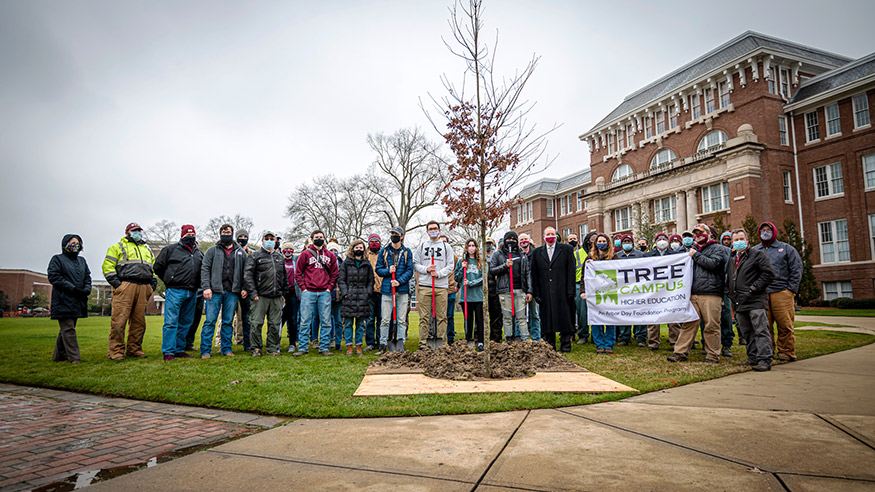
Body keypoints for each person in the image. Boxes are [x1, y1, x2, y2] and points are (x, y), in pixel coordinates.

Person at [668, 223, 730, 363]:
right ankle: (680, 352)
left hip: (711, 292)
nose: (698, 235)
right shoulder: (693, 250)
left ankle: (712, 354)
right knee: (689, 323)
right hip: (693, 293)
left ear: (709, 234)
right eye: (695, 233)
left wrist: (695, 255)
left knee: (711, 325)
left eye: (701, 232)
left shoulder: (718, 249)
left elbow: (713, 264)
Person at [103, 222, 157, 361]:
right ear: (127, 232)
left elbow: (153, 269)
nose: (137, 233)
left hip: (143, 286)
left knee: (139, 322)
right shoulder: (117, 247)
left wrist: (152, 286)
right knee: (119, 321)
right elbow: (108, 267)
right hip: (126, 285)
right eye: (134, 231)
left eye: (139, 231)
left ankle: (134, 349)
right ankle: (116, 351)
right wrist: (118, 285)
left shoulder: (147, 250)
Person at [726, 229, 775, 372]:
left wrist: (753, 289)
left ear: (747, 240)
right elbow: (730, 278)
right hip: (739, 302)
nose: (738, 242)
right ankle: (752, 358)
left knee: (760, 330)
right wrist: (730, 293)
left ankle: (765, 359)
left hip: (755, 300)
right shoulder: (732, 259)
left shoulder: (758, 255)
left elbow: (768, 274)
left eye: (741, 239)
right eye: (735, 240)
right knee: (747, 332)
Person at [153, 225, 204, 361]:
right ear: (182, 235)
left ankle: (179, 349)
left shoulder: (198, 252)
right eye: (187, 235)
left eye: (193, 234)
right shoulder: (170, 250)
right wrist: (169, 280)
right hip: (175, 290)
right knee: (171, 322)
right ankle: (168, 351)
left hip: (192, 291)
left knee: (186, 322)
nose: (190, 237)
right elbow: (157, 267)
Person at [754, 222, 803, 362]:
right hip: (762, 293)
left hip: (782, 292)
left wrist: (791, 290)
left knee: (785, 325)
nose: (765, 233)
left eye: (768, 230)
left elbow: (796, 269)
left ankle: (786, 352)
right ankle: (767, 352)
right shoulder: (755, 250)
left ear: (774, 232)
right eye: (762, 230)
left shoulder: (786, 249)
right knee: (764, 326)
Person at [200, 224, 248, 358]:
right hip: (214, 291)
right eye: (223, 232)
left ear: (232, 234)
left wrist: (244, 287)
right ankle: (205, 351)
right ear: (220, 233)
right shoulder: (212, 251)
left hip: (232, 292)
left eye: (228, 232)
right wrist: (206, 287)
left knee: (228, 322)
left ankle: (226, 348)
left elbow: (246, 272)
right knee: (210, 321)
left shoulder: (240, 252)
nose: (226, 234)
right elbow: (205, 269)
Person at [293, 230, 339, 356]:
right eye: (317, 237)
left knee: (326, 321)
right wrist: (303, 288)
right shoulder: (305, 254)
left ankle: (324, 347)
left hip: (324, 292)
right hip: (309, 292)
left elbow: (335, 273)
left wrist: (329, 288)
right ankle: (303, 347)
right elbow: (298, 273)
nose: (319, 239)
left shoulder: (330, 255)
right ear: (312, 239)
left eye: (321, 237)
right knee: (305, 320)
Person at [530, 226, 576, 352]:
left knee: (564, 318)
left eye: (552, 234)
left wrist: (570, 290)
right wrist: (537, 292)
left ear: (556, 236)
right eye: (548, 234)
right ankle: (550, 345)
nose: (550, 236)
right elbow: (534, 274)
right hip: (545, 292)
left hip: (563, 291)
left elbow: (571, 270)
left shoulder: (566, 249)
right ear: (544, 237)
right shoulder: (537, 252)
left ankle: (565, 344)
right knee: (547, 319)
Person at [48, 234, 91, 364]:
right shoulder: (57, 259)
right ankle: (74, 357)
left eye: (77, 243)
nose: (75, 245)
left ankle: (58, 356)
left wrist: (86, 289)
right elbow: (54, 277)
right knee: (69, 329)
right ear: (65, 244)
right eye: (72, 242)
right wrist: (72, 288)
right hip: (63, 300)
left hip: (77, 300)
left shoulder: (82, 261)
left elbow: (87, 276)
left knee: (66, 329)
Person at [244, 231, 288, 357]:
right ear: (262, 241)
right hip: (260, 296)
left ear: (275, 241)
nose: (269, 241)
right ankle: (256, 348)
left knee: (275, 324)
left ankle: (273, 347)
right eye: (267, 238)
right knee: (256, 323)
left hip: (276, 296)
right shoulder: (255, 256)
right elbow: (248, 276)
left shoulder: (279, 257)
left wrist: (283, 293)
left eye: (271, 239)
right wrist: (253, 293)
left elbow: (283, 277)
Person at [413, 221, 454, 349]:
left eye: (435, 228)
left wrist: (439, 273)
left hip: (441, 286)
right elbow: (415, 263)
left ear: (439, 230)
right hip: (425, 286)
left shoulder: (446, 247)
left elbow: (450, 265)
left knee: (442, 316)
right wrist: (426, 269)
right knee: (424, 317)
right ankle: (423, 344)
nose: (433, 231)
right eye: (430, 229)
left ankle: (442, 343)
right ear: (427, 231)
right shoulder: (422, 246)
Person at [374, 226, 414, 351]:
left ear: (401, 236)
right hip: (387, 290)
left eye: (396, 234)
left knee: (402, 320)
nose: (394, 236)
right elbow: (378, 269)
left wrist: (399, 281)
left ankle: (400, 344)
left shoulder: (407, 252)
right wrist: (388, 271)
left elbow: (410, 270)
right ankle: (383, 344)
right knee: (385, 319)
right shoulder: (384, 251)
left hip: (402, 291)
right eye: (392, 233)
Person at [489, 231, 532, 342]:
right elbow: (492, 270)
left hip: (520, 290)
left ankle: (525, 341)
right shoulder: (498, 254)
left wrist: (529, 291)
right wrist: (505, 266)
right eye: (509, 239)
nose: (511, 241)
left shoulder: (522, 255)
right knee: (507, 318)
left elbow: (528, 273)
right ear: (504, 240)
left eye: (513, 240)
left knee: (521, 318)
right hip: (505, 290)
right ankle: (509, 340)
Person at [338, 240, 374, 355]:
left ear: (364, 249)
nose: (359, 249)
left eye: (361, 247)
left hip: (363, 297)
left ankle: (358, 346)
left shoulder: (367, 264)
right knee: (348, 324)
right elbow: (341, 280)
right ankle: (349, 346)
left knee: (360, 325)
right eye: (357, 247)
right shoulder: (346, 263)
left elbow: (371, 280)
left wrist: (368, 292)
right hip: (349, 297)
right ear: (352, 248)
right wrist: (345, 293)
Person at [582, 233, 617, 354]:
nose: (602, 243)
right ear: (595, 244)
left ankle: (609, 344)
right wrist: (583, 291)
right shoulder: (589, 258)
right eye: (599, 241)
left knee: (610, 320)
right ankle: (599, 344)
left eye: (604, 241)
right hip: (595, 293)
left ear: (608, 243)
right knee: (597, 319)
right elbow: (583, 277)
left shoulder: (615, 258)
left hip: (610, 293)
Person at [642, 232, 676, 350]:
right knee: (652, 317)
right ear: (655, 243)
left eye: (664, 239)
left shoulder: (676, 255)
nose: (662, 241)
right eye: (659, 239)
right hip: (653, 290)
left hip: (670, 290)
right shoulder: (648, 256)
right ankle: (653, 343)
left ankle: (674, 342)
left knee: (673, 318)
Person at [615, 234, 645, 347]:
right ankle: (624, 337)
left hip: (638, 289)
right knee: (624, 313)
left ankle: (641, 337)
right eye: (625, 241)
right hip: (623, 290)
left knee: (639, 313)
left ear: (632, 243)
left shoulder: (640, 255)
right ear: (622, 244)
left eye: (629, 241)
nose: (627, 243)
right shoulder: (617, 256)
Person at [455, 238, 485, 350]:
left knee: (479, 320)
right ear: (466, 248)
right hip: (466, 297)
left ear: (476, 248)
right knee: (468, 320)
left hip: (478, 296)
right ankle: (468, 340)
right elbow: (456, 278)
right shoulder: (461, 261)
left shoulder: (481, 261)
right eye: (469, 245)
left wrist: (471, 283)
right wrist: (462, 269)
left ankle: (481, 341)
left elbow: (484, 278)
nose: (471, 248)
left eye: (473, 245)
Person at [233, 229, 254, 351]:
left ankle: (247, 344)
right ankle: (221, 343)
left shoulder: (252, 253)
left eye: (244, 236)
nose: (242, 238)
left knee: (246, 318)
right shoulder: (232, 252)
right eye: (240, 236)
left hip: (247, 290)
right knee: (226, 318)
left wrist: (246, 288)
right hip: (232, 289)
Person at [567, 233, 589, 345]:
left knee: (584, 313)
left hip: (585, 284)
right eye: (570, 239)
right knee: (575, 313)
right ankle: (576, 334)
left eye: (574, 239)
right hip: (573, 285)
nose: (572, 241)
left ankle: (586, 335)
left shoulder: (587, 253)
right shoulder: (571, 253)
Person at [519, 233, 541, 341]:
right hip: (520, 289)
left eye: (525, 239)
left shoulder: (535, 254)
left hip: (534, 289)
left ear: (529, 240)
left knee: (535, 314)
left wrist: (531, 291)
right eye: (521, 239)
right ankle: (521, 338)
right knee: (520, 315)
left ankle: (536, 338)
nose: (524, 241)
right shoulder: (517, 256)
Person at [364, 233, 384, 351]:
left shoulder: (384, 253)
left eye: (377, 241)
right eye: (372, 241)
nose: (374, 243)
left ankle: (380, 340)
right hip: (369, 292)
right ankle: (371, 342)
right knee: (370, 319)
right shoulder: (365, 255)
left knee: (381, 318)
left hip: (382, 290)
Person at [439, 234, 460, 344]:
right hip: (439, 288)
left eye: (445, 241)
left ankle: (450, 337)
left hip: (450, 289)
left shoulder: (453, 256)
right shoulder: (437, 256)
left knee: (449, 315)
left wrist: (456, 284)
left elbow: (458, 270)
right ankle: (439, 336)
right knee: (439, 315)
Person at [280, 242, 301, 353]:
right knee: (280, 319)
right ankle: (275, 342)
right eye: (286, 249)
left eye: (290, 249)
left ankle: (292, 343)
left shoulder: (296, 261)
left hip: (293, 294)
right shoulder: (279, 261)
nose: (288, 251)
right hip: (282, 294)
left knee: (293, 319)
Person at [718, 231, 735, 357]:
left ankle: (727, 344)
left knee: (726, 316)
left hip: (727, 290)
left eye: (728, 239)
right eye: (724, 239)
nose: (726, 242)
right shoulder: (718, 252)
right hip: (715, 288)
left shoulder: (734, 254)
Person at [485, 237, 503, 343]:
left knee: (496, 315)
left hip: (495, 289)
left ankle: (496, 337)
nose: (488, 245)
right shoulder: (481, 257)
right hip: (484, 289)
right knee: (482, 316)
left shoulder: (497, 256)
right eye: (486, 243)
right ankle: (482, 337)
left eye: (490, 243)